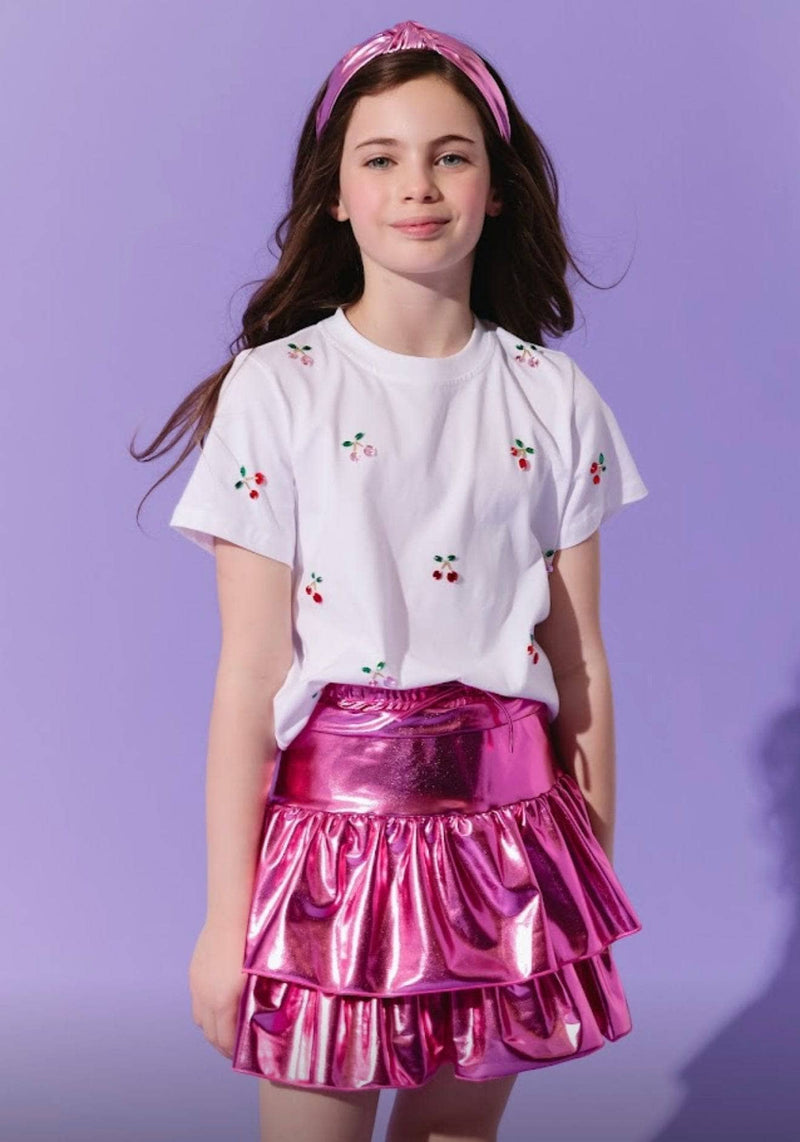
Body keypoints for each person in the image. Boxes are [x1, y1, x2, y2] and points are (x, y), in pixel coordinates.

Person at [132, 18, 650, 1142]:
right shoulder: (277, 389)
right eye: (381, 157)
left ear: (496, 189)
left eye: (450, 155)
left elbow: (579, 667)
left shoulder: (553, 397)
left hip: (510, 845)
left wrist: (587, 877)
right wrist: (224, 920)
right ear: (335, 194)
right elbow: (249, 676)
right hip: (330, 848)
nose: (417, 184)